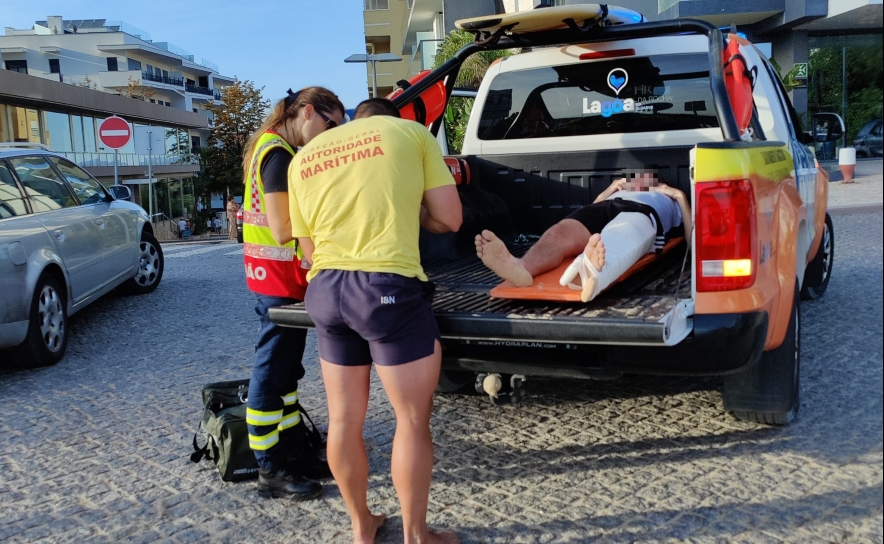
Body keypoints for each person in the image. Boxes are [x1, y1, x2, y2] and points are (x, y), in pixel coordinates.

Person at [288, 97, 462, 544]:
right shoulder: (412, 134)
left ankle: (362, 527)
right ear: (394, 119)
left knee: (344, 419)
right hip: (386, 290)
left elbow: (308, 250)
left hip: (325, 291)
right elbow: (450, 217)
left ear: (354, 120)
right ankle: (417, 535)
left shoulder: (305, 156)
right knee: (410, 419)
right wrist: (414, 211)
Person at [242, 86, 345, 501]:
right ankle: (270, 467)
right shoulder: (280, 155)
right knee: (270, 373)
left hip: (277, 279)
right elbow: (283, 229)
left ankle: (291, 452)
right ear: (307, 112)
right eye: (331, 124)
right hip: (279, 282)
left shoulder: (270, 147)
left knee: (285, 373)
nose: (333, 133)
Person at [476, 170, 691, 302]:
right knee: (558, 233)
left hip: (641, 211)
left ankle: (589, 273)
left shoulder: (667, 197)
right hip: (603, 208)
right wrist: (612, 188)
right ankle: (521, 267)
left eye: (648, 179)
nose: (640, 181)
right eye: (637, 178)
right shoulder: (618, 190)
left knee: (620, 237)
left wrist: (678, 195)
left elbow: (692, 242)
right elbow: (594, 206)